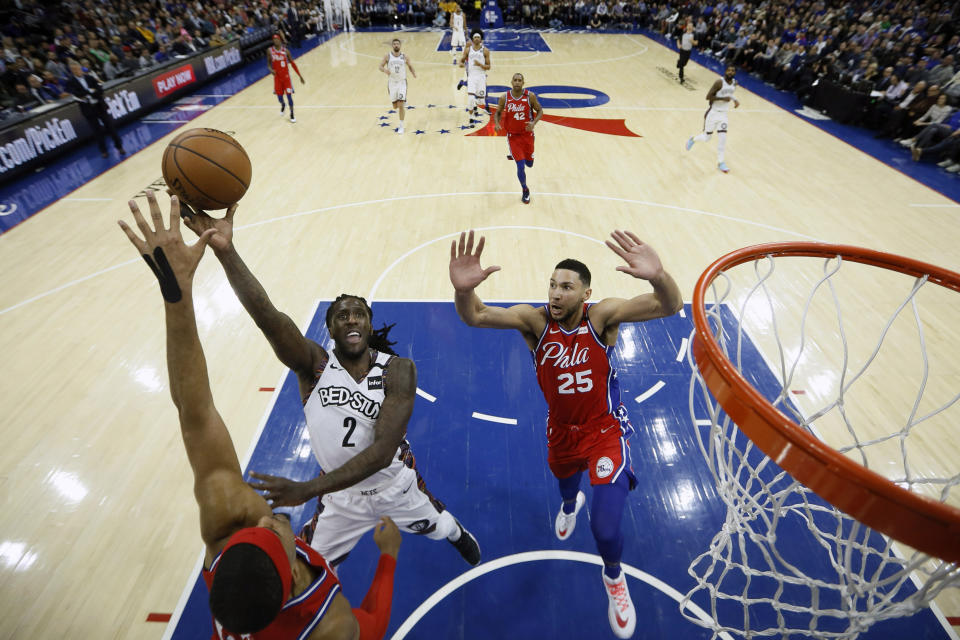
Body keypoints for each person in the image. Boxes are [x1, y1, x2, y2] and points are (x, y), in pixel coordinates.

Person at [117, 191, 402, 639]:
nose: (268, 518)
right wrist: (387, 559)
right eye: (272, 533)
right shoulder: (329, 626)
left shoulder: (225, 525)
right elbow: (374, 625)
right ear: (291, 579)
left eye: (253, 529)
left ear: (219, 555)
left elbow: (195, 412)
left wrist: (176, 293)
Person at [176, 201, 481, 572]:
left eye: (359, 314)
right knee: (306, 569)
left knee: (437, 526)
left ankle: (454, 532)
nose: (351, 319)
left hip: (394, 486)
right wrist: (226, 252)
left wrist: (306, 489)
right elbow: (268, 317)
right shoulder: (315, 367)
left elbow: (384, 452)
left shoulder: (397, 371)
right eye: (342, 315)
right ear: (330, 328)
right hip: (339, 500)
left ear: (369, 325)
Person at [448, 229, 683, 639]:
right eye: (553, 286)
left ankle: (614, 579)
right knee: (565, 483)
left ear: (586, 292)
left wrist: (657, 275)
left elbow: (670, 304)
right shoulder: (534, 321)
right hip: (561, 431)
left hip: (604, 430)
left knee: (606, 528)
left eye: (566, 287)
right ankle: (570, 504)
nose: (556, 294)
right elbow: (476, 315)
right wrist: (463, 291)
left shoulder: (602, 317)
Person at [493, 72, 543, 204]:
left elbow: (540, 111)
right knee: (520, 166)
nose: (517, 82)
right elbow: (497, 113)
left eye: (519, 80)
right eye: (515, 80)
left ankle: (522, 156)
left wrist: (533, 123)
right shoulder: (505, 98)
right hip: (513, 136)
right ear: (511, 82)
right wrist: (497, 123)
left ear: (523, 82)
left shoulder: (530, 96)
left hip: (527, 136)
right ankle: (525, 190)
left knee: (529, 164)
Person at [63, 59, 125, 158]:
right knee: (97, 131)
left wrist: (89, 93)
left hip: (99, 106)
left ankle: (119, 146)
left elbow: (100, 89)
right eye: (74, 70)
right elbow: (76, 94)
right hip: (88, 110)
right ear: (72, 71)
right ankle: (103, 151)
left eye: (78, 69)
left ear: (80, 68)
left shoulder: (89, 77)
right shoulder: (71, 82)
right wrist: (90, 91)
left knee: (110, 127)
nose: (77, 71)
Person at [685, 64, 739, 173]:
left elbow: (730, 93)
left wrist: (735, 100)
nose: (730, 72)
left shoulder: (735, 83)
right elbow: (708, 96)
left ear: (735, 73)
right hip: (713, 113)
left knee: (722, 139)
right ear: (725, 71)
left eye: (732, 70)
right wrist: (724, 99)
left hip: (723, 115)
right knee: (706, 138)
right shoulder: (719, 82)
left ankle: (720, 162)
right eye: (729, 70)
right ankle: (693, 139)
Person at [379, 38, 417, 135]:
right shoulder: (387, 56)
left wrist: (413, 73)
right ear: (392, 46)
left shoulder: (404, 56)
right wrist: (384, 70)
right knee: (395, 106)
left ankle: (401, 126)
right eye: (394, 44)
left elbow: (410, 65)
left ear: (400, 46)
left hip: (402, 82)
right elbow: (380, 66)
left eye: (397, 44)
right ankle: (403, 99)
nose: (396, 45)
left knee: (400, 106)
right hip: (392, 83)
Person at [267, 33, 305, 123]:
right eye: (274, 39)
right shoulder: (270, 51)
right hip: (277, 79)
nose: (276, 41)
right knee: (280, 98)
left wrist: (300, 76)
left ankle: (292, 114)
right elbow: (268, 64)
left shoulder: (286, 51)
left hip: (286, 78)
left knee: (289, 97)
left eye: (277, 39)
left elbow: (292, 64)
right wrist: (270, 70)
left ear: (280, 40)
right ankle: (283, 104)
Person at [459, 29, 491, 120]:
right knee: (470, 98)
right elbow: (461, 60)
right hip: (471, 76)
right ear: (472, 39)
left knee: (481, 101)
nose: (476, 39)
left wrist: (480, 65)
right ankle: (471, 117)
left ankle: (474, 103)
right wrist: (461, 64)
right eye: (475, 37)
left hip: (481, 77)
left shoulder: (485, 51)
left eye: (478, 37)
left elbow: (489, 67)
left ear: (481, 40)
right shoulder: (468, 50)